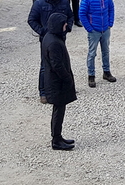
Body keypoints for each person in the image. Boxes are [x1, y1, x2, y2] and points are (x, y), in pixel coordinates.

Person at [28, 0, 73, 103]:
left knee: (62, 63)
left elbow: (70, 16)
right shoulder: (39, 3)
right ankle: (43, 92)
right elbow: (31, 20)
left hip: (61, 38)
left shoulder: (64, 1)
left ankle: (64, 88)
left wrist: (68, 27)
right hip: (46, 40)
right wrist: (42, 32)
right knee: (45, 66)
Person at [41, 12, 76, 151]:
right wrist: (68, 78)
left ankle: (58, 137)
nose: (66, 26)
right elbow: (57, 66)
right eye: (64, 24)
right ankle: (56, 139)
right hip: (57, 83)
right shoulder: (54, 43)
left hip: (54, 82)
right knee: (58, 110)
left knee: (59, 109)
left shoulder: (49, 37)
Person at [79, 0, 117, 88]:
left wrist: (110, 23)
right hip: (94, 30)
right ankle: (91, 75)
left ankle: (106, 71)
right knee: (92, 53)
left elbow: (111, 8)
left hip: (105, 29)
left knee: (106, 51)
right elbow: (82, 14)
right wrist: (89, 28)